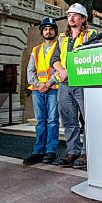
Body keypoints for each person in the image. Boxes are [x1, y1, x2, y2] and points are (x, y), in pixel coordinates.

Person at [50, 3, 97, 169]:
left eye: (75, 15)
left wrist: (70, 72)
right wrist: (62, 71)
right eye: (69, 14)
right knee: (69, 120)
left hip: (83, 83)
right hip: (64, 85)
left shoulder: (91, 35)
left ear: (83, 18)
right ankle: (73, 151)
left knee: (88, 120)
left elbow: (92, 57)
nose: (71, 17)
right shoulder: (62, 38)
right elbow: (53, 59)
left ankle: (86, 152)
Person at [23, 17, 59, 165]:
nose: (48, 31)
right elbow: (30, 70)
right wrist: (38, 85)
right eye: (45, 29)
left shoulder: (60, 46)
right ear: (42, 32)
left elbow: (61, 68)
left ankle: (51, 151)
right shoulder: (36, 49)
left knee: (52, 121)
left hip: (53, 88)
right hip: (38, 90)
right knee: (40, 121)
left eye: (51, 29)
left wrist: (48, 84)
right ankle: (38, 151)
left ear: (55, 31)